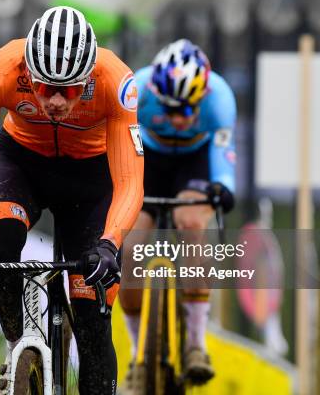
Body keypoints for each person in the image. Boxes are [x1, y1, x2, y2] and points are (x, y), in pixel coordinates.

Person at [0, 6, 144, 395]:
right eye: (45, 87)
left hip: (90, 180)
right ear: (28, 73)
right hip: (21, 162)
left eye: (69, 90)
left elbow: (129, 181)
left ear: (89, 77)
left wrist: (110, 243)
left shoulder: (116, 80)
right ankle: (17, 348)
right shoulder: (0, 70)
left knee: (92, 315)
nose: (57, 101)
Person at [118, 39, 236, 387]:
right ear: (155, 92)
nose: (177, 118)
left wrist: (223, 187)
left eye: (186, 111)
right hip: (147, 159)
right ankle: (140, 355)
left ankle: (196, 344)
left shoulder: (220, 101)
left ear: (202, 97)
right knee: (129, 249)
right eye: (169, 109)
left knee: (191, 223)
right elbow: (118, 141)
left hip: (194, 162)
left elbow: (223, 154)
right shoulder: (136, 89)